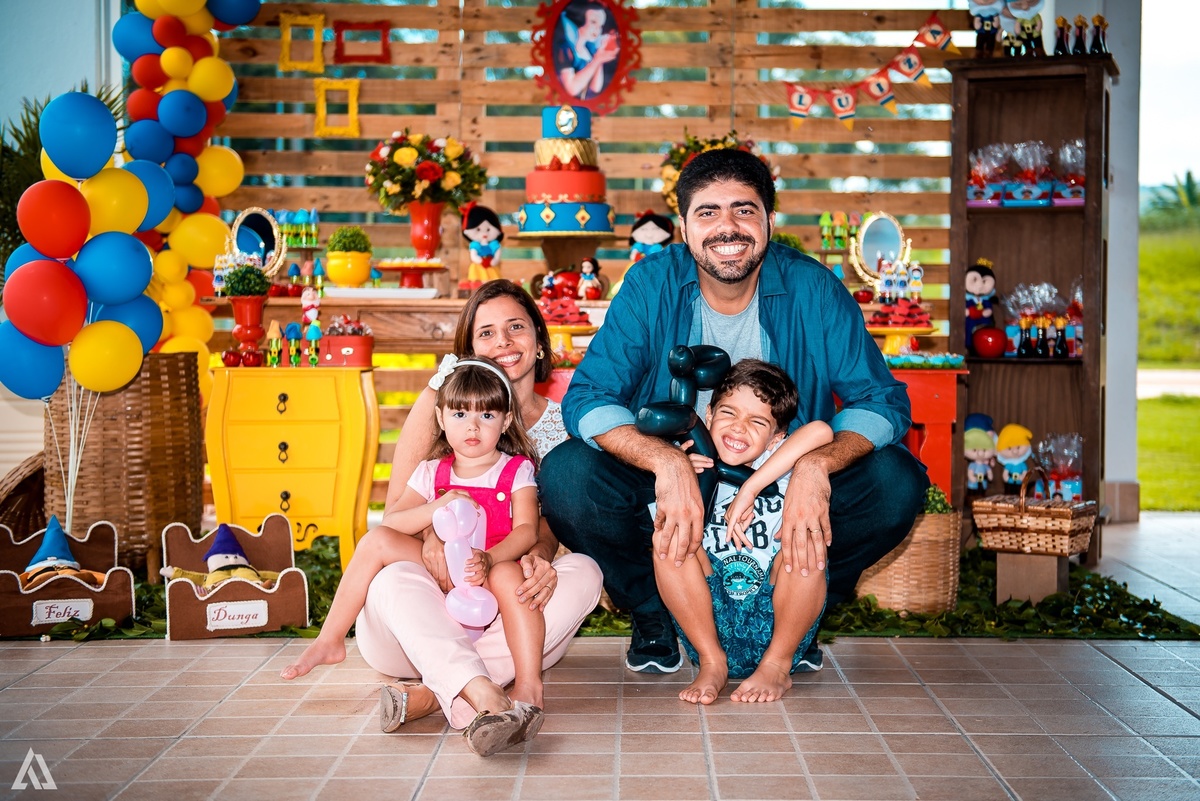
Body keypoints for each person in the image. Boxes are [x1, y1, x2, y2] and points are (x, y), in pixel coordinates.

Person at [539, 147, 929, 675]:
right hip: (680, 471)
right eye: (708, 212)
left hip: (782, 473)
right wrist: (665, 462)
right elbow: (588, 397)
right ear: (683, 226)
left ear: (770, 220)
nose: (728, 227)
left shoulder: (813, 288)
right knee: (567, 476)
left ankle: (797, 611)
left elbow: (880, 400)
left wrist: (816, 466)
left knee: (896, 481)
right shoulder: (650, 285)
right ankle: (655, 611)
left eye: (744, 210)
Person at [288, 280, 601, 752]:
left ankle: (448, 692)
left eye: (516, 328)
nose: (503, 344)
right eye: (486, 333)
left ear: (539, 339)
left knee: (583, 573)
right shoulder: (438, 424)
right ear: (468, 350)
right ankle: (476, 689)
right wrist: (435, 530)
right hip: (419, 616)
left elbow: (537, 526)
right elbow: (397, 518)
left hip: (498, 594)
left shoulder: (547, 435)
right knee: (393, 577)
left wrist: (524, 557)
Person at [656, 359, 833, 705]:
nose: (739, 429)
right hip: (709, 617)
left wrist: (751, 487)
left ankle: (777, 666)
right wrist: (684, 477)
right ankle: (712, 663)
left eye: (758, 422)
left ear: (776, 437)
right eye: (728, 413)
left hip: (780, 618)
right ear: (707, 415)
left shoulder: (780, 464)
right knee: (669, 538)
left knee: (805, 542)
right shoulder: (688, 460)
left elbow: (821, 431)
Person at [554, 1, 619, 100]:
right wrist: (596, 60)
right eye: (593, 22)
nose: (597, 29)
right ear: (580, 21)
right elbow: (572, 89)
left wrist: (599, 59)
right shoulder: (566, 49)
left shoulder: (589, 49)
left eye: (601, 26)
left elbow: (595, 88)